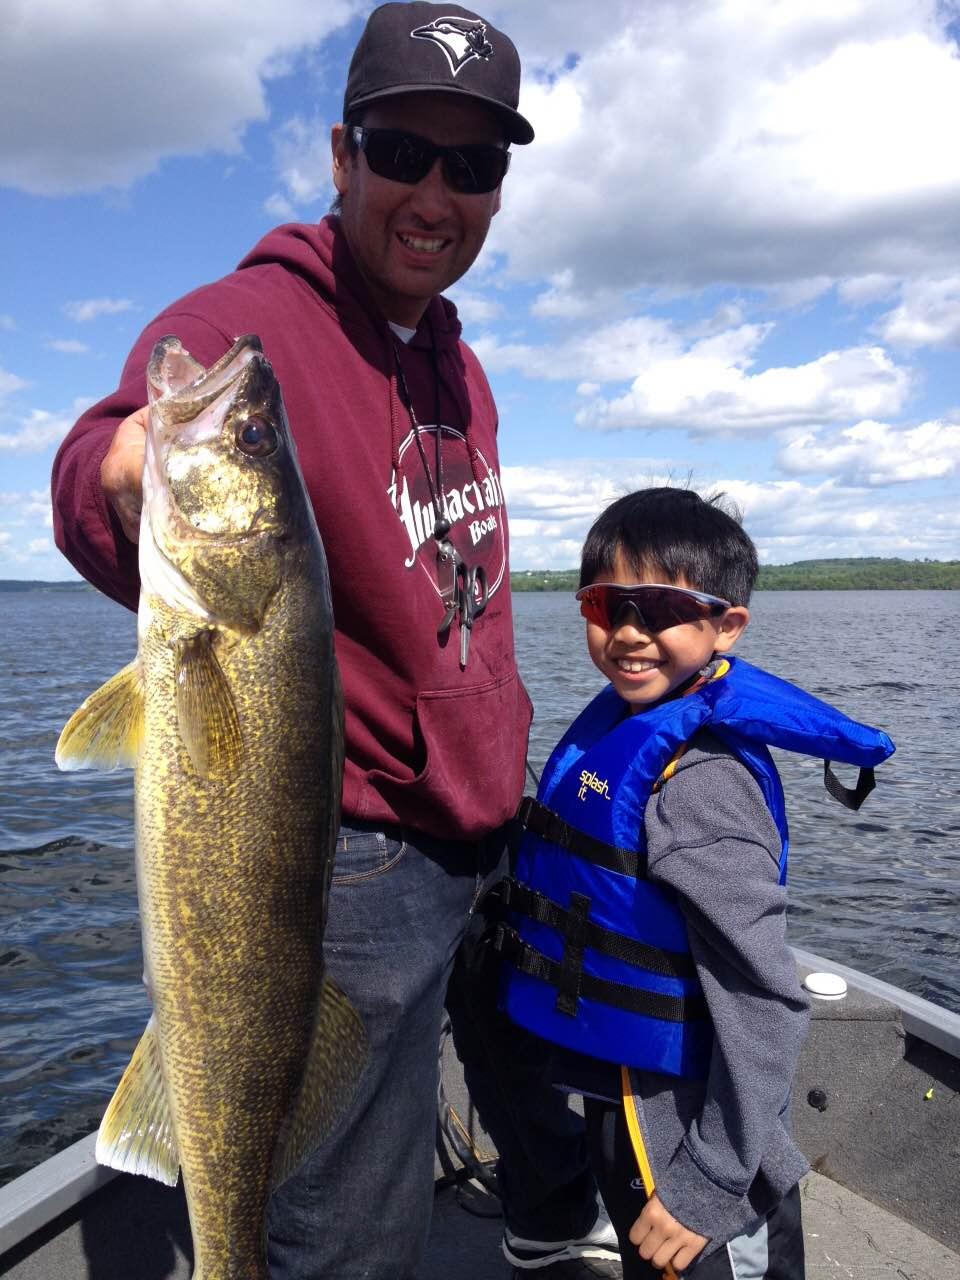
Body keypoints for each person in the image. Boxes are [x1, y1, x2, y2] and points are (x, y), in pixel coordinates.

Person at [51, 4, 620, 1277]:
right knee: (345, 1228)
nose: (437, 192)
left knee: (506, 1087)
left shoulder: (457, 363)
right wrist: (129, 470)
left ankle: (542, 1218)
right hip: (354, 861)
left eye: (475, 166)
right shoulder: (258, 321)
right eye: (403, 150)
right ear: (339, 155)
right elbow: (99, 462)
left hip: (479, 825)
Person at [494, 488, 895, 1278]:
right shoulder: (624, 720)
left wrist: (708, 1184)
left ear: (726, 626)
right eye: (608, 604)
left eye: (663, 608)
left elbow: (765, 1000)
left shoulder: (701, 785)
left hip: (698, 1149)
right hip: (633, 1109)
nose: (630, 632)